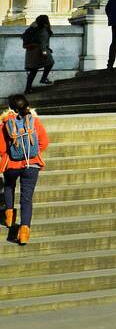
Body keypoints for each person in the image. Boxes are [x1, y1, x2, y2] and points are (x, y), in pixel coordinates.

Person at [1, 93, 50, 245]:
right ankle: (23, 233)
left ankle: (9, 217)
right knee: (26, 199)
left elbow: (1, 148)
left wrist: (12, 153)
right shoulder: (34, 121)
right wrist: (32, 151)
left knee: (8, 186)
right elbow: (44, 142)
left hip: (12, 164)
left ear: (10, 108)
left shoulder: (5, 124)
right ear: (27, 106)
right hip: (32, 164)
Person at [22, 13, 54, 92]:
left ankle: (27, 89)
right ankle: (43, 78)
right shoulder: (43, 29)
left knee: (33, 70)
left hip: (30, 52)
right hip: (39, 51)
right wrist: (45, 53)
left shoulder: (32, 28)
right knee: (50, 63)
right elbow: (43, 42)